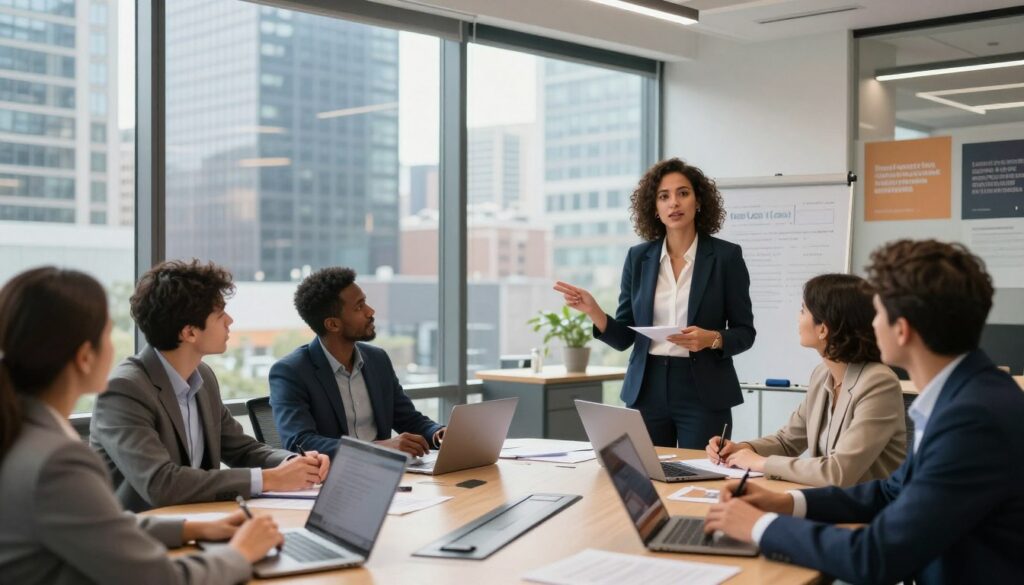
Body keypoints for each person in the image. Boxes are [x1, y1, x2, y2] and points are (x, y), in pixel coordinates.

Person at [704, 240, 1024, 584]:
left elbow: (877, 556)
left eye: (878, 312)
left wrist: (761, 527)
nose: (870, 324)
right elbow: (889, 492)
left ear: (901, 330)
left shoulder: (973, 419)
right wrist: (785, 504)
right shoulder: (963, 395)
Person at [0, 267, 283, 584]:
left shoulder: (25, 434)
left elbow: (98, 525)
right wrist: (241, 554)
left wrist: (192, 528)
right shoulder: (57, 460)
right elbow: (160, 579)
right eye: (107, 335)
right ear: (84, 357)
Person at [90, 260, 329, 512]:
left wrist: (296, 463)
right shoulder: (125, 389)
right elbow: (161, 484)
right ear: (190, 333)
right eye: (219, 314)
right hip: (142, 536)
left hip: (199, 522)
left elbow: (242, 450)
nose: (230, 321)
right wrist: (271, 479)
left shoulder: (202, 377)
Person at [555, 158, 755, 448]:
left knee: (701, 480)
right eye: (664, 196)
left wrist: (711, 339)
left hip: (704, 391)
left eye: (683, 193)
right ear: (655, 208)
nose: (674, 203)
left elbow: (745, 332)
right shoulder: (638, 258)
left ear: (698, 201)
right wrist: (594, 311)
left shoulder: (726, 257)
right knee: (646, 479)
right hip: (646, 388)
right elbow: (625, 337)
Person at [705, 273, 906, 487]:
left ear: (823, 329)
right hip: (833, 503)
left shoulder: (879, 383)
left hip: (871, 512)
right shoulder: (822, 375)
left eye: (803, 311)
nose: (798, 318)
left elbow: (838, 473)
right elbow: (787, 441)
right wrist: (743, 448)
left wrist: (761, 463)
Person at [270, 267, 445, 458]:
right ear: (333, 324)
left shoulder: (378, 360)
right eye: (359, 307)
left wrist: (438, 434)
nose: (370, 311)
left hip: (386, 475)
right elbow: (300, 443)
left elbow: (408, 419)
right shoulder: (291, 372)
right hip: (332, 480)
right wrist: (380, 448)